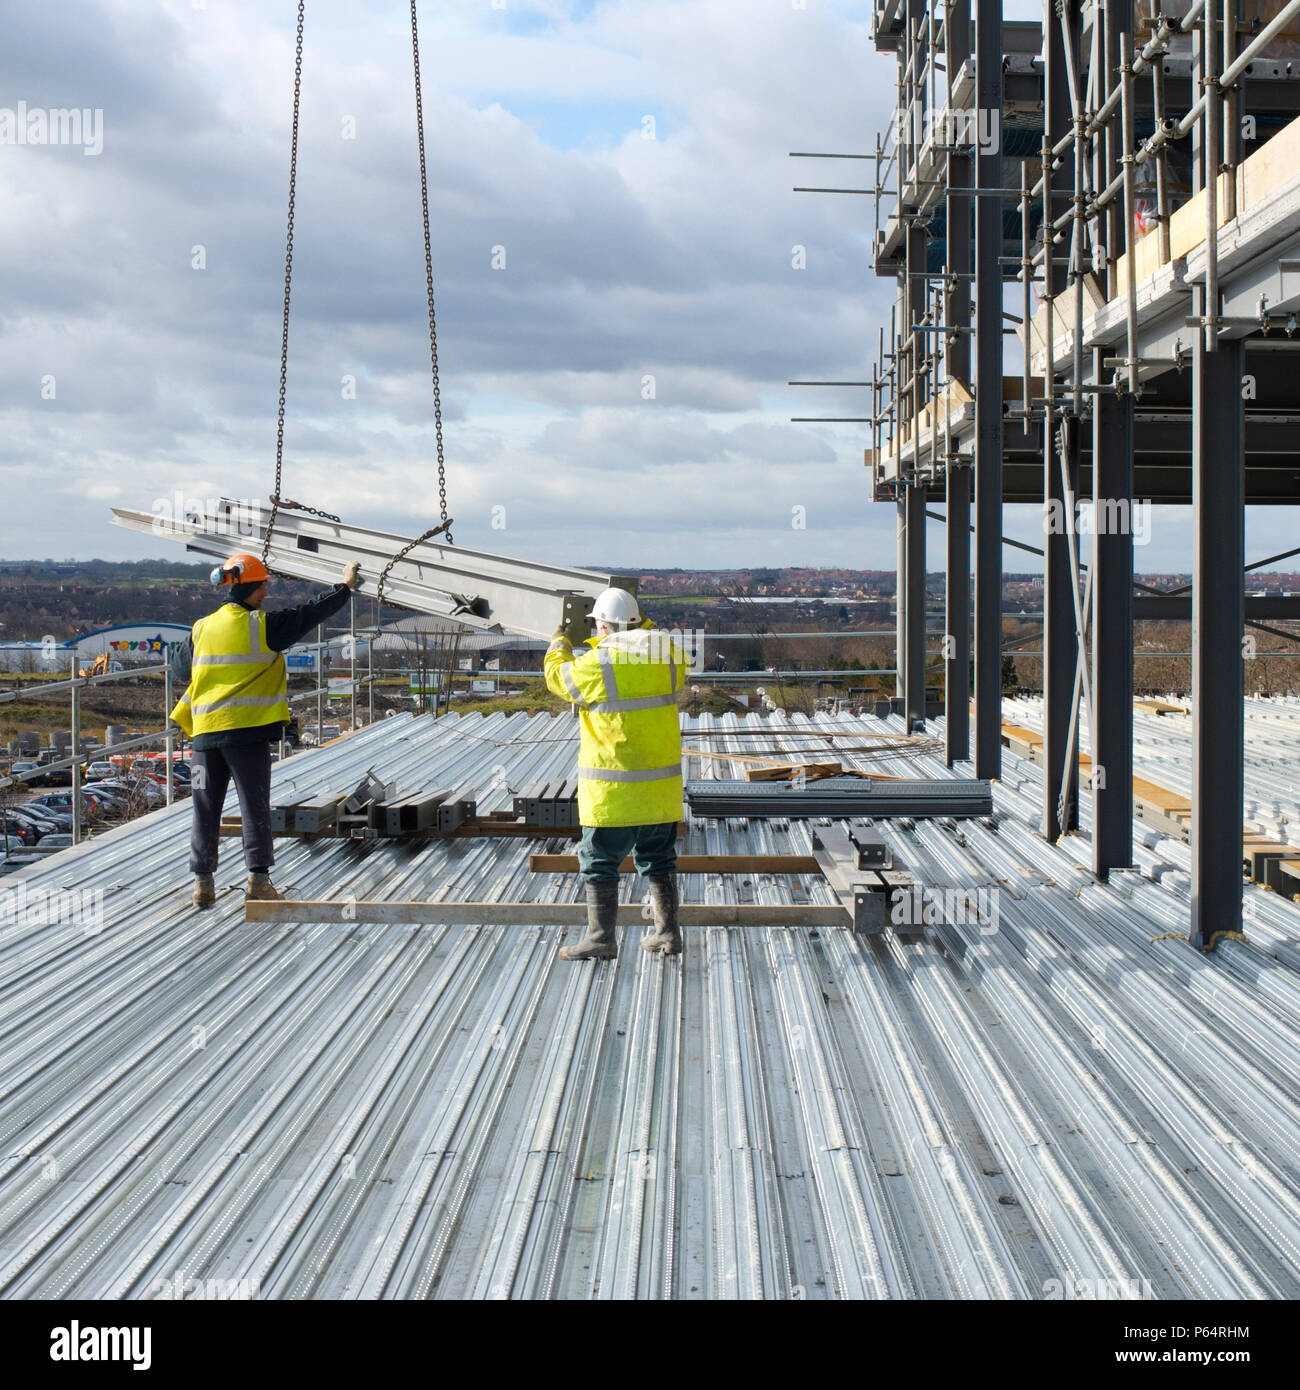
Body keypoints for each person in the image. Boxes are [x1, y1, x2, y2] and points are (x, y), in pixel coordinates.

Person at [170, 552, 361, 907]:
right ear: (250, 588)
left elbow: (179, 670)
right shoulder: (262, 627)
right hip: (247, 735)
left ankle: (202, 884)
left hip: (204, 738)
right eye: (262, 587)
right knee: (253, 807)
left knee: (203, 807)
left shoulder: (200, 628)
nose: (266, 593)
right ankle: (258, 882)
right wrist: (345, 586)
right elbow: (310, 614)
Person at [544, 587, 687, 960]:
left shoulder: (597, 663)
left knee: (599, 862)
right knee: (659, 860)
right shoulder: (669, 654)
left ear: (602, 627)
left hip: (614, 792)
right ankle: (668, 934)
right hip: (659, 793)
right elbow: (648, 641)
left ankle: (601, 938)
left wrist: (558, 642)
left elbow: (558, 679)